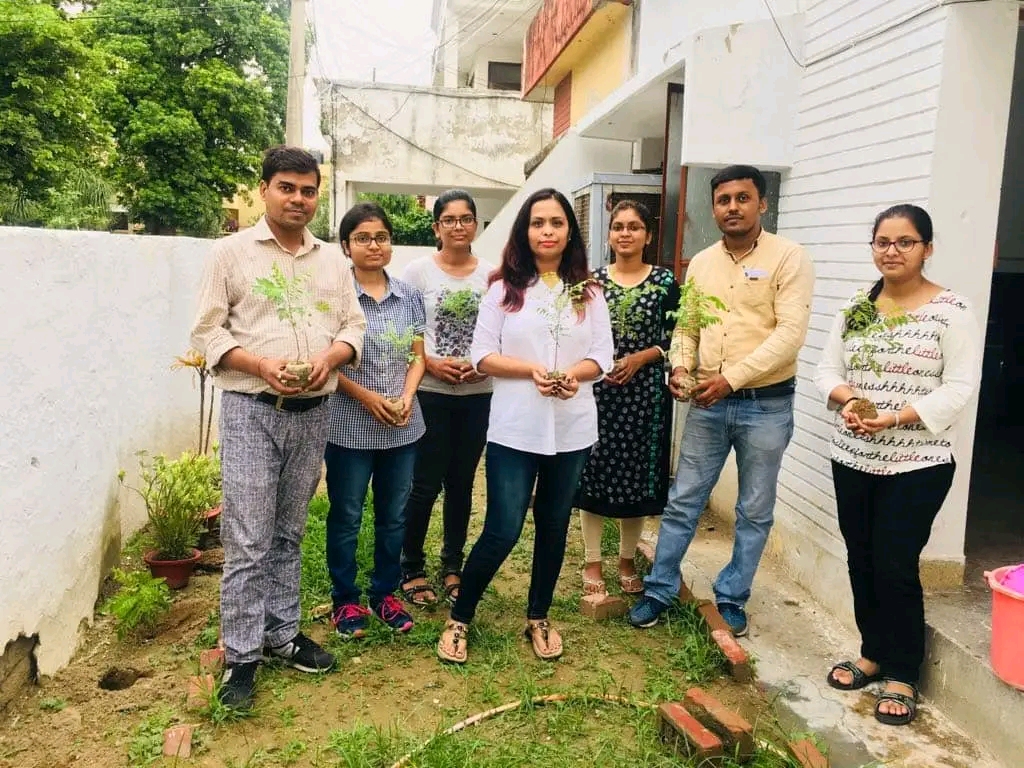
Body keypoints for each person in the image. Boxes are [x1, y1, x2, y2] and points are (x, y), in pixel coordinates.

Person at [190, 146, 366, 710]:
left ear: (318, 195)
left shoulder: (334, 262)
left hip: (313, 413)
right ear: (264, 189)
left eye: (308, 190)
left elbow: (353, 324)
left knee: (289, 531)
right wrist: (260, 365)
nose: (298, 199)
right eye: (286, 187)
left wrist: (332, 357)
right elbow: (207, 333)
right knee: (247, 536)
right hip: (250, 410)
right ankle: (241, 656)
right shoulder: (230, 254)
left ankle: (281, 634)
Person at [629, 164, 814, 637]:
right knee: (684, 499)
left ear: (763, 203)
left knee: (754, 508)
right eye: (724, 200)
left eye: (742, 198)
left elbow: (790, 335)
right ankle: (659, 588)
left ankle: (732, 596)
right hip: (708, 403)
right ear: (714, 207)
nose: (732, 207)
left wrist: (730, 378)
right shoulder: (703, 262)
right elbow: (687, 327)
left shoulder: (789, 258)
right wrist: (680, 367)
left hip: (766, 404)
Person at [814, 204, 979, 727]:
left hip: (919, 463)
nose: (892, 251)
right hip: (854, 456)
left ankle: (904, 671)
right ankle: (873, 652)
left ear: (927, 248)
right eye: (882, 242)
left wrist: (894, 417)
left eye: (905, 242)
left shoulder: (951, 311)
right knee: (860, 559)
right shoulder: (857, 307)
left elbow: (959, 387)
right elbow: (826, 368)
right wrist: (848, 401)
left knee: (894, 562)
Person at [436, 188, 614, 664]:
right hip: (515, 428)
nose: (548, 231)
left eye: (557, 223)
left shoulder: (589, 292)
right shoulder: (504, 288)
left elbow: (602, 355)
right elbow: (482, 354)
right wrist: (531, 372)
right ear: (525, 231)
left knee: (554, 526)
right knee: (503, 527)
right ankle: (461, 616)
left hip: (572, 427)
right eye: (538, 223)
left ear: (570, 231)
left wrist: (571, 377)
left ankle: (538, 616)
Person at [325, 202, 427, 639]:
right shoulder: (333, 296)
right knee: (347, 515)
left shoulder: (409, 296)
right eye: (363, 238)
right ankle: (345, 601)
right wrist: (368, 399)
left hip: (403, 426)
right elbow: (328, 363)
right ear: (346, 246)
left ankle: (385, 593)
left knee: (394, 516)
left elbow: (417, 357)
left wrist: (406, 396)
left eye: (381, 237)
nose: (373, 245)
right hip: (348, 426)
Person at [575, 200, 680, 595]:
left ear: (648, 235)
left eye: (634, 227)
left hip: (645, 397)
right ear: (609, 234)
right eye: (618, 226)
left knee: (636, 477)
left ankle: (625, 557)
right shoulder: (592, 283)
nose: (625, 233)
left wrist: (641, 358)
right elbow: (579, 334)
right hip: (599, 391)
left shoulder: (666, 283)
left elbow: (675, 337)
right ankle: (592, 561)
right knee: (595, 471)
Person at [400, 190, 493, 607]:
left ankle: (452, 564)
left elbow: (500, 333)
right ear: (436, 227)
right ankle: (411, 566)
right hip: (431, 393)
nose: (459, 226)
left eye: (466, 218)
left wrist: (484, 363)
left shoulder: (491, 276)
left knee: (461, 483)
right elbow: (405, 334)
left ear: (477, 225)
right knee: (423, 484)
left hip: (478, 394)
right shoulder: (417, 274)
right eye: (449, 219)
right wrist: (430, 363)